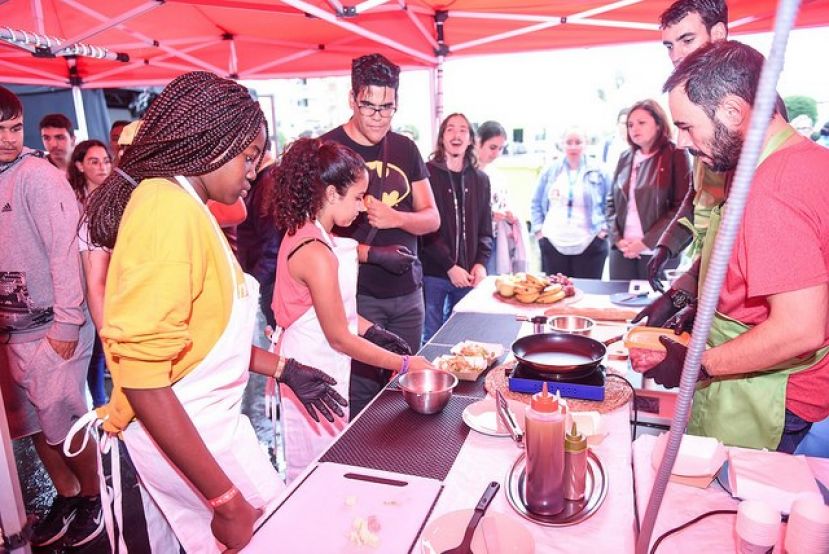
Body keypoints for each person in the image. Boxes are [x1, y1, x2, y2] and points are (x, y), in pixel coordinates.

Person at [81, 71, 347, 552]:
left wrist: (283, 368)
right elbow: (143, 378)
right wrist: (225, 499)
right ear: (208, 143)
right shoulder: (166, 210)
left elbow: (201, 341)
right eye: (248, 157)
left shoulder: (187, 204)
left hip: (211, 427)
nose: (255, 170)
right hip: (191, 438)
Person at [640, 40, 829, 454]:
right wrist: (689, 305)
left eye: (687, 126)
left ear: (732, 110)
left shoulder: (770, 189)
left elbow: (801, 328)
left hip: (772, 397)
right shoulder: (812, 159)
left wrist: (697, 365)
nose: (684, 141)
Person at [268, 138, 432, 480]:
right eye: (358, 197)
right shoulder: (315, 251)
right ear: (330, 194)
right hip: (312, 365)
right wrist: (404, 363)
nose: (362, 207)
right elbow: (339, 337)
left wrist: (371, 330)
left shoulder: (310, 232)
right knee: (315, 469)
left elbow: (332, 312)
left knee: (329, 456)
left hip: (319, 356)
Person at [0, 86, 102, 548]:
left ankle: (97, 498)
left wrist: (65, 325)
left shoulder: (38, 176)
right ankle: (69, 494)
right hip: (13, 332)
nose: (8, 139)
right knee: (35, 427)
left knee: (65, 422)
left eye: (15, 128)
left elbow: (67, 253)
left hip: (54, 327)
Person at [321, 53, 439, 417]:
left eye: (387, 108)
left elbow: (432, 219)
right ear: (352, 99)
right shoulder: (328, 150)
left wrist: (396, 218)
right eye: (368, 106)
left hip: (408, 294)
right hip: (357, 298)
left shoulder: (405, 147)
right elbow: (310, 238)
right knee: (360, 397)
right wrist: (368, 252)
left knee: (407, 389)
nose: (378, 117)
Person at [421, 114, 493, 341]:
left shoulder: (480, 179)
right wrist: (449, 266)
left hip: (469, 275)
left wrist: (480, 263)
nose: (457, 134)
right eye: (450, 129)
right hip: (434, 274)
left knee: (465, 339)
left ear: (471, 139)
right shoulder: (426, 174)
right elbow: (424, 230)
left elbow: (485, 228)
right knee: (431, 339)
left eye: (463, 130)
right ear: (442, 137)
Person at [607, 100, 691, 280]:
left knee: (654, 306)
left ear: (659, 124)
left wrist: (645, 243)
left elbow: (682, 206)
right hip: (623, 250)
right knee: (617, 305)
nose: (634, 128)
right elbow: (610, 202)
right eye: (630, 124)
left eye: (641, 123)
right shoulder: (625, 157)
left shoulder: (676, 154)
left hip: (658, 251)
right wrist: (618, 240)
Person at [66, 139, 112, 408]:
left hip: (110, 284)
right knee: (93, 351)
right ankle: (99, 404)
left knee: (103, 349)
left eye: (106, 160)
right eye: (94, 161)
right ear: (80, 165)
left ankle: (106, 404)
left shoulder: (116, 198)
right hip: (82, 286)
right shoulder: (70, 201)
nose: (102, 167)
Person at [531, 128, 610, 279]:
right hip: (553, 242)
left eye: (578, 142)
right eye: (569, 142)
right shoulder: (550, 170)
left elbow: (612, 203)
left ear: (586, 144)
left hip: (590, 243)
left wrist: (603, 231)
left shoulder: (600, 171)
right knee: (555, 295)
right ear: (562, 144)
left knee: (587, 296)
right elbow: (535, 202)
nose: (573, 147)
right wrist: (539, 231)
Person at [479, 120, 528, 276]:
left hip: (495, 239)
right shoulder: (466, 173)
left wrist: (509, 215)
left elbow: (503, 203)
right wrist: (490, 215)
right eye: (492, 147)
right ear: (477, 142)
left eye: (500, 149)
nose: (496, 153)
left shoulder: (496, 174)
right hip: (473, 244)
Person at [602, 108, 630, 174]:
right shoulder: (608, 144)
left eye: (629, 123)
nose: (626, 126)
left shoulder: (638, 145)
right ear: (617, 124)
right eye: (624, 123)